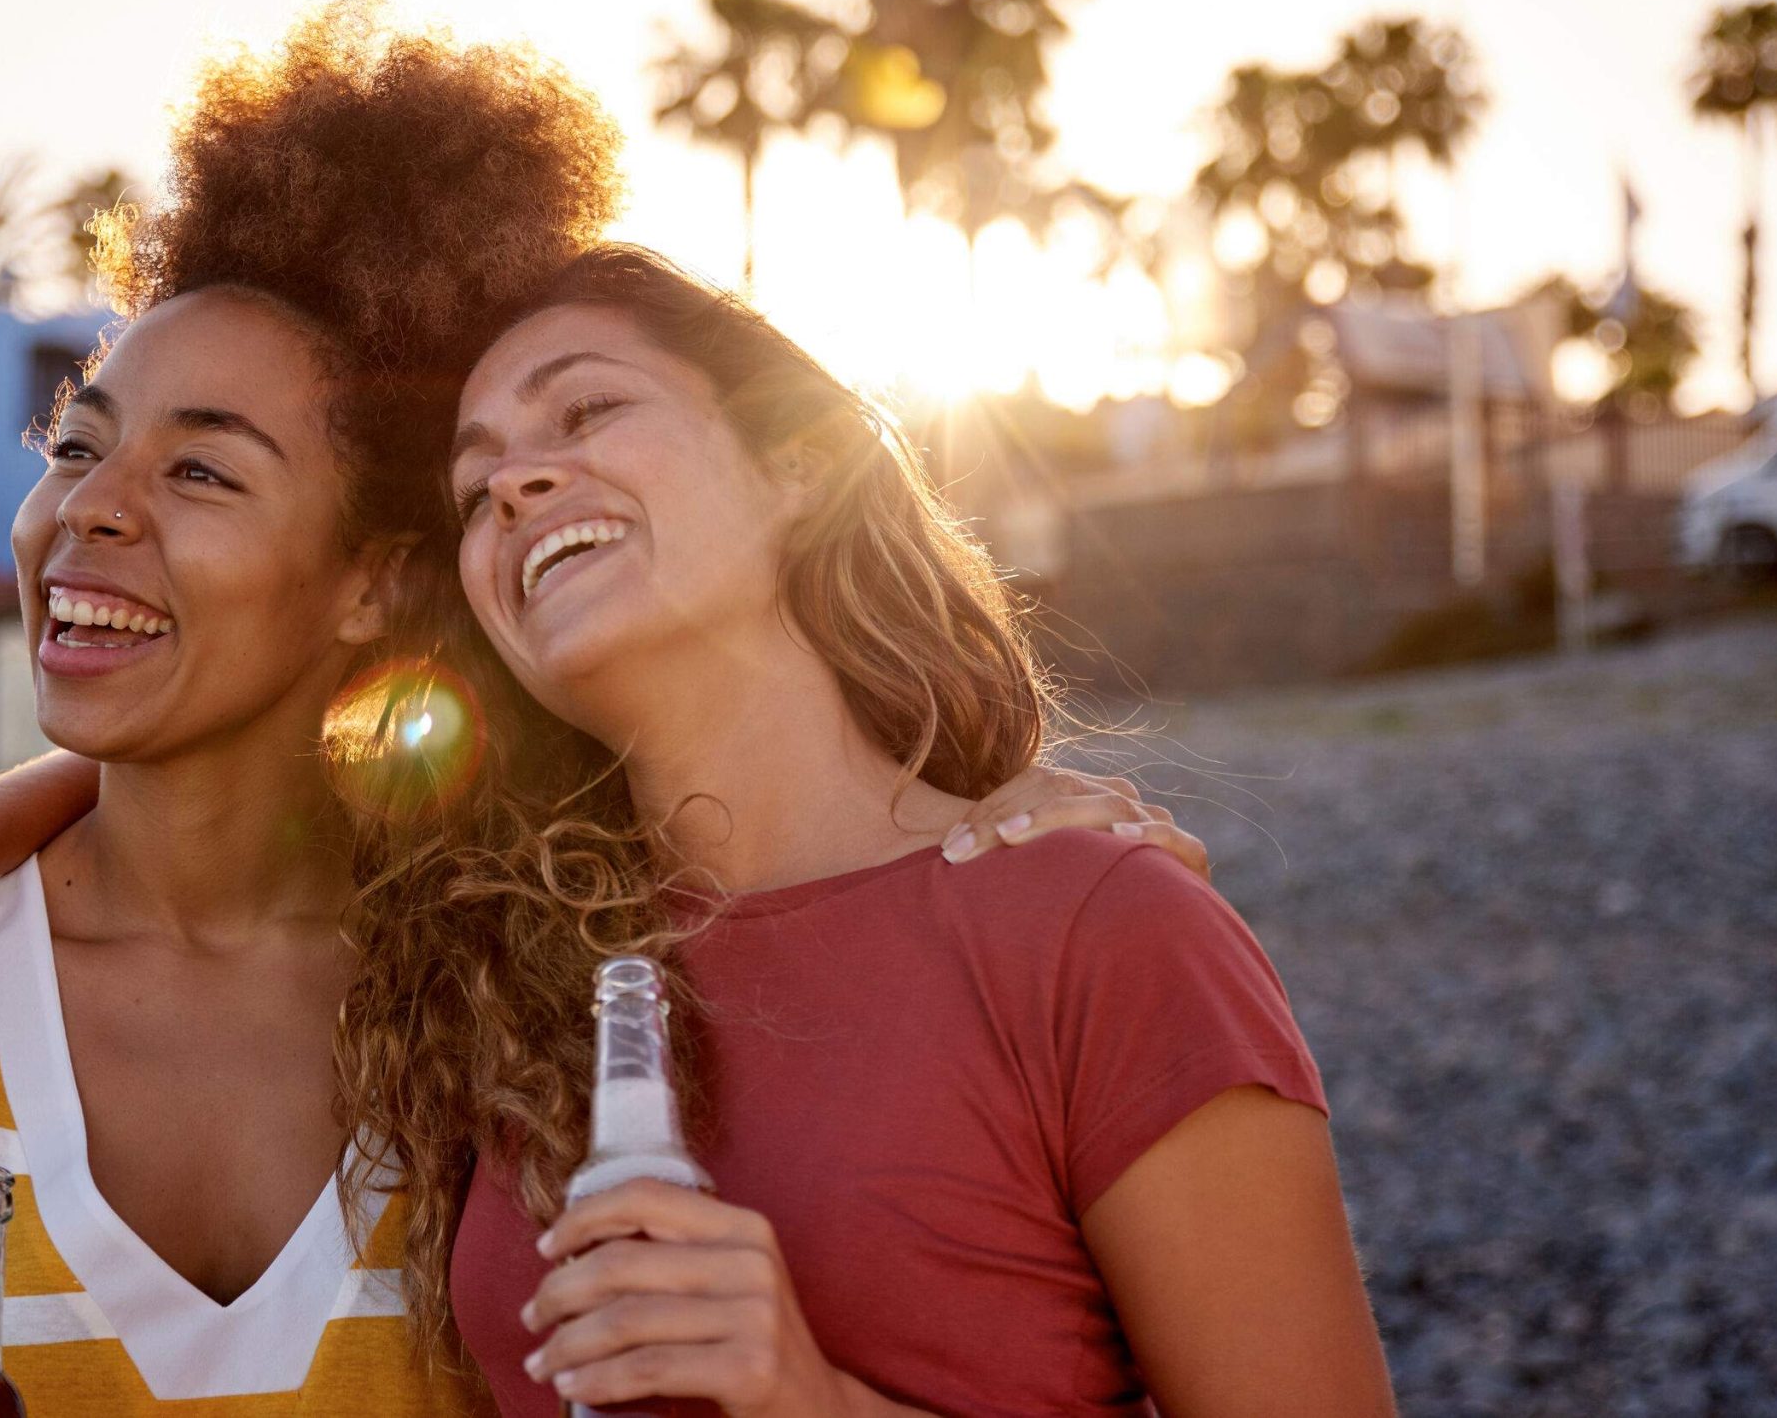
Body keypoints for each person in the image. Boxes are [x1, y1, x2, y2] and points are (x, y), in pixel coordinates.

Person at [0, 9, 1194, 1414]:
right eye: (76, 445)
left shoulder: (504, 987)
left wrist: (1012, 833)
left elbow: (808, 875)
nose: (92, 508)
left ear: (375, 584)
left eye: (202, 469)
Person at [396, 245, 1397, 1415]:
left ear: (798, 465)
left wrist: (810, 1400)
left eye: (588, 408)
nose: (517, 485)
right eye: (476, 491)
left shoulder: (1101, 931)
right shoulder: (491, 988)